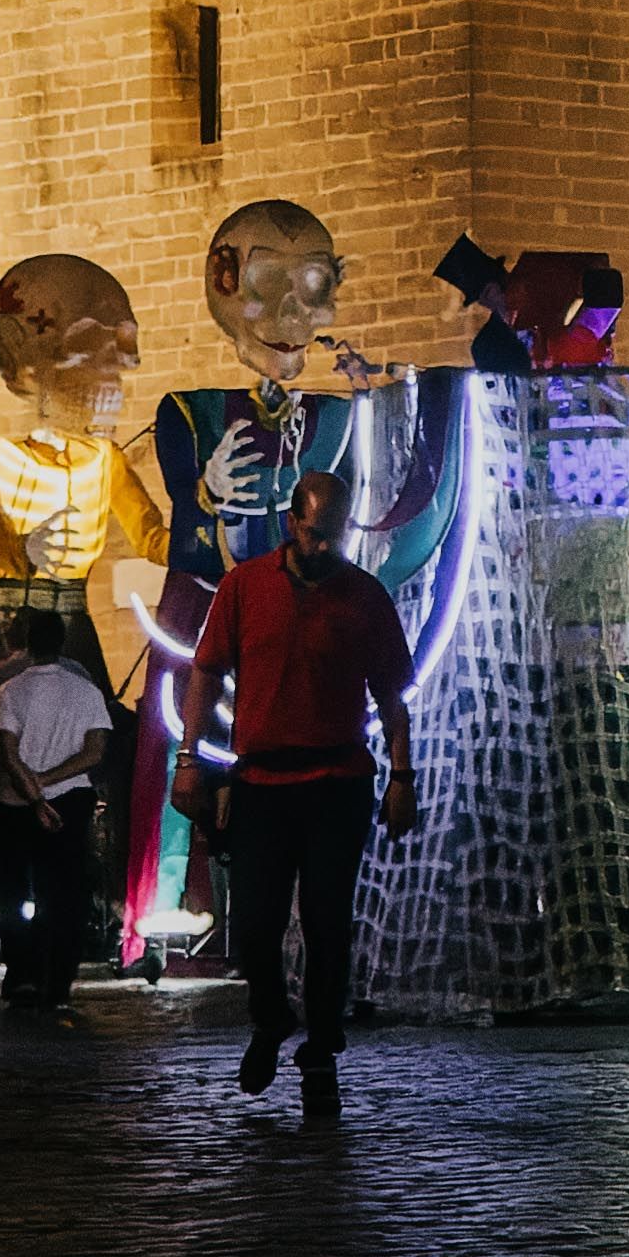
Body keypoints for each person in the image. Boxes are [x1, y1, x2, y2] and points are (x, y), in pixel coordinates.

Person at [176, 469, 418, 1099]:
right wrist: (188, 758)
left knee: (326, 918)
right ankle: (270, 1015)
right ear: (291, 522)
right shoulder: (244, 587)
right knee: (254, 921)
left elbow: (391, 696)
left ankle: (321, 1045)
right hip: (262, 779)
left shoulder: (363, 596)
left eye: (332, 539)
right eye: (312, 535)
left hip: (336, 780)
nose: (321, 549)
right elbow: (205, 673)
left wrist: (402, 775)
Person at [0, 611, 116, 1015]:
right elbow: (94, 752)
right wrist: (51, 782)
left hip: (16, 802)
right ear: (62, 643)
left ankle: (22, 973)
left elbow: (5, 750)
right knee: (64, 893)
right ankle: (58, 981)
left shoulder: (9, 691)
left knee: (11, 890)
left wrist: (34, 792)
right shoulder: (86, 692)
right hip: (72, 800)